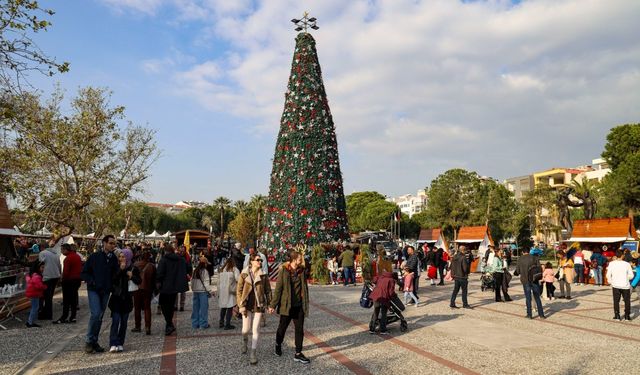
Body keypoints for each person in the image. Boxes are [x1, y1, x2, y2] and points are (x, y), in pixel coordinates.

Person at [269, 251, 310, 365]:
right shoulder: (284, 270)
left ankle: (298, 353)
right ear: (294, 259)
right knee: (282, 327)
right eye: (300, 258)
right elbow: (278, 289)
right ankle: (278, 344)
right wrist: (273, 305)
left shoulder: (301, 270)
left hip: (299, 306)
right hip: (287, 305)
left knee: (299, 329)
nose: (301, 260)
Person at [81, 235, 119, 354]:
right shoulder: (94, 256)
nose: (113, 245)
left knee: (100, 316)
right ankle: (88, 340)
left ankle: (94, 341)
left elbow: (115, 275)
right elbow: (84, 273)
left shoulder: (113, 259)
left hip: (106, 290)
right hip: (94, 289)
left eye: (114, 244)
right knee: (96, 313)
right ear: (104, 243)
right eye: (111, 243)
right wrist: (92, 281)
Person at [238, 254, 271, 365]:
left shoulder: (264, 275)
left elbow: (268, 291)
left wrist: (270, 304)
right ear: (251, 261)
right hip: (246, 304)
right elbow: (239, 291)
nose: (260, 262)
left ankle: (253, 353)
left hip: (258, 304)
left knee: (255, 329)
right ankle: (245, 342)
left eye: (261, 260)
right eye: (258, 260)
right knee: (245, 329)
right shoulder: (244, 274)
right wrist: (240, 305)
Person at [108, 249, 140, 353]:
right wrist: (120, 270)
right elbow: (112, 280)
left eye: (124, 256)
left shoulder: (133, 268)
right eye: (120, 257)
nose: (121, 258)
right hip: (116, 298)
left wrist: (132, 276)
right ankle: (113, 343)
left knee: (124, 323)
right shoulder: (116, 267)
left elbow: (139, 281)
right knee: (115, 321)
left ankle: (120, 343)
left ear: (128, 257)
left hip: (127, 299)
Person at [156, 243, 188, 336]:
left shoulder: (164, 260)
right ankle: (169, 325)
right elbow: (186, 268)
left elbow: (160, 273)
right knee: (170, 306)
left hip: (165, 287)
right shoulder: (180, 260)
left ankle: (169, 324)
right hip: (175, 287)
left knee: (164, 305)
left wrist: (158, 282)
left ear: (165, 251)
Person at [54, 244, 82, 324]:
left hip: (69, 281)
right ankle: (73, 317)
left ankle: (64, 317)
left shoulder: (68, 258)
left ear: (66, 249)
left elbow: (66, 272)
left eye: (62, 250)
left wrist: (62, 280)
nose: (61, 252)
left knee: (66, 300)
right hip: (77, 280)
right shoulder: (77, 256)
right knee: (73, 300)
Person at [515, 248, 545, 319]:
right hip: (534, 279)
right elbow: (539, 268)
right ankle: (541, 315)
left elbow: (518, 271)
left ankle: (529, 315)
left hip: (525, 280)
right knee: (537, 297)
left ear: (522, 252)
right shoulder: (535, 258)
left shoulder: (520, 259)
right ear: (529, 251)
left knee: (528, 298)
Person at [132, 251, 156, 335]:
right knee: (147, 308)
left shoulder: (135, 264)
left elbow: (132, 277)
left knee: (137, 308)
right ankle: (147, 327)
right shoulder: (152, 266)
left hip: (137, 288)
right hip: (147, 289)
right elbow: (154, 279)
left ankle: (138, 326)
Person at [606, 249, 634, 321]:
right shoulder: (627, 264)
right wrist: (626, 278)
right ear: (622, 256)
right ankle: (627, 316)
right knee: (627, 301)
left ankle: (617, 315)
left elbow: (608, 275)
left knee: (616, 301)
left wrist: (611, 282)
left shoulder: (611, 263)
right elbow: (631, 275)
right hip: (625, 285)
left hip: (615, 285)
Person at [369, 270, 397, 334]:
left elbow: (374, 280)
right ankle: (383, 330)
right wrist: (395, 296)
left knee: (375, 312)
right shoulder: (391, 280)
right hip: (384, 298)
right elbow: (391, 292)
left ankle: (372, 329)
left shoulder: (381, 277)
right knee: (383, 314)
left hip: (376, 296)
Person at [38, 241, 61, 320]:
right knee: (49, 296)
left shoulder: (42, 253)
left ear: (42, 247)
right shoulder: (56, 254)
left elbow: (41, 264)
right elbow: (59, 265)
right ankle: (47, 313)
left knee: (45, 297)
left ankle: (47, 315)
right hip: (55, 276)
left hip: (47, 276)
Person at [191, 256, 212, 329]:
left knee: (195, 308)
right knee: (203, 309)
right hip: (202, 291)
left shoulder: (195, 270)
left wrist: (193, 289)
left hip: (195, 291)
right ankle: (203, 324)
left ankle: (195, 324)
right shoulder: (204, 271)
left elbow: (192, 281)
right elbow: (206, 283)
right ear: (205, 263)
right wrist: (210, 291)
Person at [218, 257, 239, 329]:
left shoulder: (223, 270)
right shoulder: (234, 269)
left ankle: (221, 322)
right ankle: (227, 324)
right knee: (230, 307)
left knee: (223, 307)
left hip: (223, 291)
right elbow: (238, 279)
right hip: (230, 291)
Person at [25, 262, 47, 328]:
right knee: (35, 308)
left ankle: (31, 322)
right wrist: (45, 286)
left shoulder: (32, 275)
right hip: (34, 293)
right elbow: (39, 286)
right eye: (42, 267)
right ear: (37, 268)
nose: (43, 269)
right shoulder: (36, 276)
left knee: (35, 307)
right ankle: (30, 322)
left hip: (33, 293)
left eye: (43, 267)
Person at [174, 245, 192, 312]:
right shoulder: (175, 257)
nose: (182, 252)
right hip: (176, 276)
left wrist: (189, 274)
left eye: (183, 250)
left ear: (185, 250)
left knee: (183, 292)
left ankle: (182, 306)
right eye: (181, 250)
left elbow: (190, 267)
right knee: (175, 292)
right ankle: (175, 305)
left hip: (183, 276)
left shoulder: (187, 257)